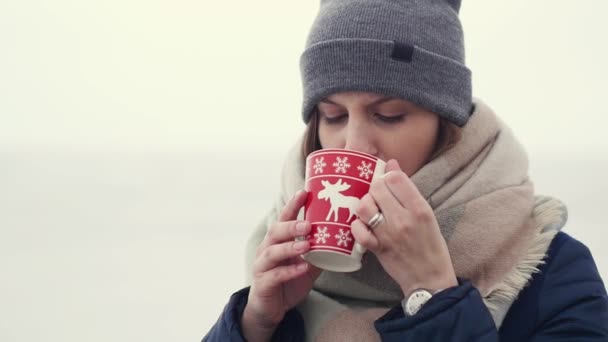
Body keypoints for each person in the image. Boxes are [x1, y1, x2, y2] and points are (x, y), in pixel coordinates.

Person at [203, 0, 608, 340]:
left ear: (445, 125)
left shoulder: (548, 269)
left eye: (389, 115)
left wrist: (432, 293)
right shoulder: (280, 254)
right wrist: (255, 322)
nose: (354, 144)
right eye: (333, 115)